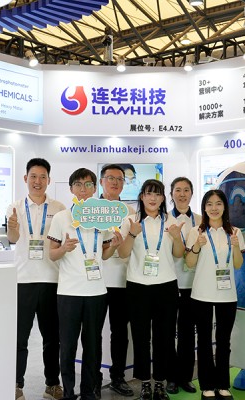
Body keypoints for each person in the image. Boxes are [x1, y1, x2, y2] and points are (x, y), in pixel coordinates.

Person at [48, 168, 122, 400]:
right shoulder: (61, 218)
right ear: (71, 189)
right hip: (69, 292)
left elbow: (105, 254)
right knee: (68, 345)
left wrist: (114, 246)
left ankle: (89, 391)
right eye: (78, 184)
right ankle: (69, 392)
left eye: (88, 185)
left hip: (97, 292)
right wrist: (63, 248)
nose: (83, 189)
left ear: (94, 188)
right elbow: (52, 254)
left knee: (92, 345)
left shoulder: (102, 218)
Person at [117, 179, 185, 400]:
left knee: (164, 338)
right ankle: (145, 383)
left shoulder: (171, 221)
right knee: (141, 337)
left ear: (163, 198)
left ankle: (160, 383)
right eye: (148, 193)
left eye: (157, 194)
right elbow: (123, 254)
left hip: (166, 286)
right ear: (142, 197)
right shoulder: (131, 221)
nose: (153, 198)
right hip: (138, 287)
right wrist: (132, 234)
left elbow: (178, 254)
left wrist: (176, 237)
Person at [7, 158, 66, 400]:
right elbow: (13, 239)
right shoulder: (15, 207)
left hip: (52, 279)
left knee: (52, 338)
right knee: (20, 338)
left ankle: (52, 384)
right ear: (25, 178)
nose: (37, 181)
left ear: (49, 180)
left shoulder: (59, 208)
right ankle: (16, 384)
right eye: (33, 176)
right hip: (23, 280)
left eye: (42, 177)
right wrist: (12, 227)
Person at [185, 190, 245, 400]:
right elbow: (189, 263)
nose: (214, 208)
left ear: (224, 206)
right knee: (203, 341)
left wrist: (235, 246)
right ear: (204, 208)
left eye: (218, 203)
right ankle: (207, 386)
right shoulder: (196, 231)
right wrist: (196, 246)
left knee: (223, 341)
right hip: (201, 293)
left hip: (227, 295)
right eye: (209, 204)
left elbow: (238, 264)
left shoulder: (235, 232)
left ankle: (223, 384)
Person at [99, 164, 135, 397]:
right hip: (96, 281)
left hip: (122, 280)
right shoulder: (90, 210)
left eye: (119, 179)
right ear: (102, 181)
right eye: (110, 178)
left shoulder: (130, 212)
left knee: (120, 333)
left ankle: (118, 377)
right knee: (93, 333)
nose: (115, 182)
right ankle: (93, 378)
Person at [166, 177, 202, 395]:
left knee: (188, 333)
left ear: (191, 193)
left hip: (193, 284)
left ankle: (186, 377)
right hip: (169, 282)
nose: (182, 194)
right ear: (171, 194)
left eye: (186, 190)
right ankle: (171, 378)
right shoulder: (164, 219)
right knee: (168, 332)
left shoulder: (201, 220)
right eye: (178, 190)